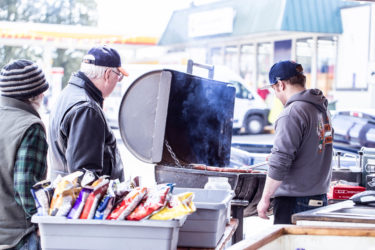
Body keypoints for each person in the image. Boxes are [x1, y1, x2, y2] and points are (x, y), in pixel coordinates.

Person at [257, 60, 333, 224]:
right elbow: (312, 149)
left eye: (273, 89)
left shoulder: (292, 113)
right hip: (319, 199)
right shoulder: (321, 109)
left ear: (280, 85)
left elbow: (280, 160)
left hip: (295, 203)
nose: (275, 95)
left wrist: (265, 199)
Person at [48, 45, 128, 182]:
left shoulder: (69, 94)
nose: (119, 80)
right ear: (108, 74)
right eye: (118, 76)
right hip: (79, 200)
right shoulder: (87, 109)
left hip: (64, 193)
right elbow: (85, 177)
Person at [0, 59, 49, 249]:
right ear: (34, 95)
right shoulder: (30, 126)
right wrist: (39, 221)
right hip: (17, 236)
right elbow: (26, 185)